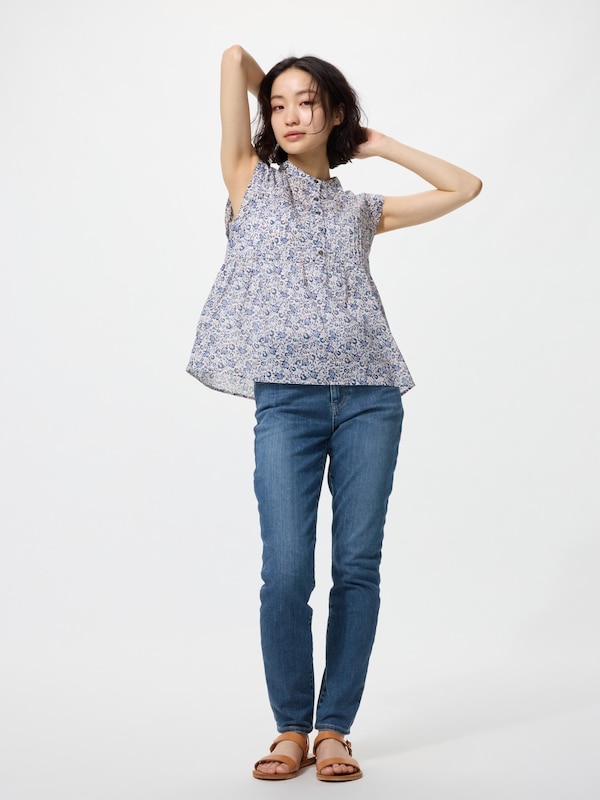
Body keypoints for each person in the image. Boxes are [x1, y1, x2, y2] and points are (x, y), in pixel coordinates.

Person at [187, 44, 481, 782]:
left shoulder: (360, 209)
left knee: (356, 566)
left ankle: (332, 730)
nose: (290, 115)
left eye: (307, 102)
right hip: (286, 402)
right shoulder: (250, 180)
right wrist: (280, 85)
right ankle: (290, 725)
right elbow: (234, 58)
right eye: (278, 104)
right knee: (286, 570)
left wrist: (377, 143)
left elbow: (465, 186)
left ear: (336, 111)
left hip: (369, 398)